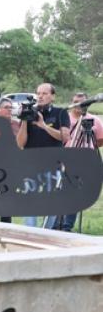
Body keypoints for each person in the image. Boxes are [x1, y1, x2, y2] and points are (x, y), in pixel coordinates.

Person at [17, 83, 70, 227]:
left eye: (45, 93)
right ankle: (31, 234)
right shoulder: (30, 113)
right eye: (38, 93)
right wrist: (24, 120)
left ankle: (46, 233)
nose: (40, 96)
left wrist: (44, 126)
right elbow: (20, 143)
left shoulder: (60, 113)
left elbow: (65, 137)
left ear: (52, 96)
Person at [49, 92, 103, 231]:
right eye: (76, 102)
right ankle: (55, 224)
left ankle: (67, 226)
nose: (79, 106)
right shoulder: (65, 119)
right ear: (72, 103)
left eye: (82, 102)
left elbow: (101, 139)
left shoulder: (94, 120)